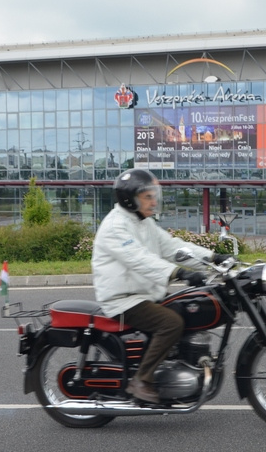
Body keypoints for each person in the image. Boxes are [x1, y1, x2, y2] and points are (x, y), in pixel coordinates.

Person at [92, 169, 230, 403]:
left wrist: (213, 258)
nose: (154, 201)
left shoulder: (143, 222)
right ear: (129, 199)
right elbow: (139, 259)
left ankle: (171, 366)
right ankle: (142, 380)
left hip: (145, 294)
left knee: (186, 310)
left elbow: (174, 247)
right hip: (124, 299)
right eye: (148, 196)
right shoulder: (116, 226)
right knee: (170, 323)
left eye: (154, 195)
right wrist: (178, 273)